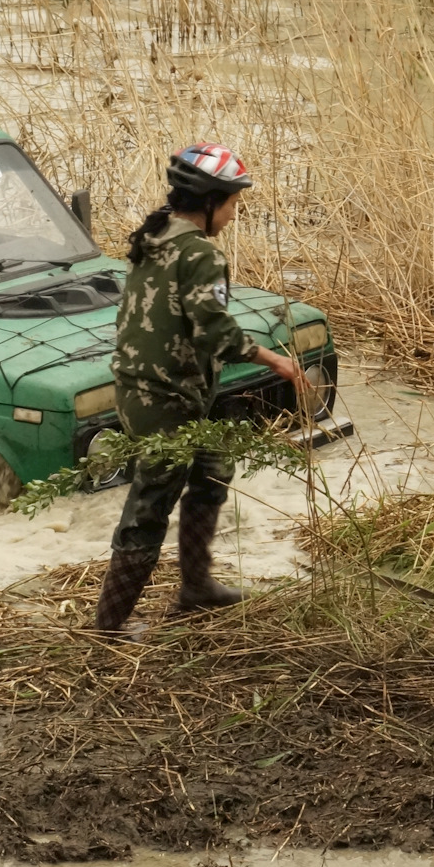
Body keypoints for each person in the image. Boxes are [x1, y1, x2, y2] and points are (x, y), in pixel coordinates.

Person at [93, 143, 306, 634]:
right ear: (210, 203)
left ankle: (196, 588)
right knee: (151, 502)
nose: (233, 215)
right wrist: (274, 359)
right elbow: (214, 330)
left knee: (212, 467)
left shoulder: (158, 231)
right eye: (232, 204)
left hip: (150, 384)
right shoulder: (202, 253)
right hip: (164, 394)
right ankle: (108, 625)